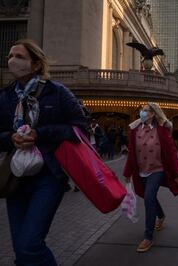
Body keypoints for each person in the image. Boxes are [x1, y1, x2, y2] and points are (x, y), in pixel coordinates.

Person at [0, 39, 87, 265]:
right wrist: (10, 138)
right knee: (21, 250)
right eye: (10, 55)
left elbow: (80, 128)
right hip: (15, 178)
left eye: (19, 56)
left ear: (36, 64)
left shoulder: (58, 93)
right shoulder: (5, 96)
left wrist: (40, 134)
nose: (12, 60)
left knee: (30, 246)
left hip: (48, 177)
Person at [123, 102, 178, 253]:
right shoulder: (134, 129)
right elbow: (131, 153)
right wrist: (127, 173)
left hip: (157, 170)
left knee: (148, 198)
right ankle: (160, 215)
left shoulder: (161, 130)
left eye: (146, 110)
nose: (143, 112)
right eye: (142, 110)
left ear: (153, 114)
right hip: (141, 170)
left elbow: (172, 152)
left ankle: (148, 237)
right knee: (149, 196)